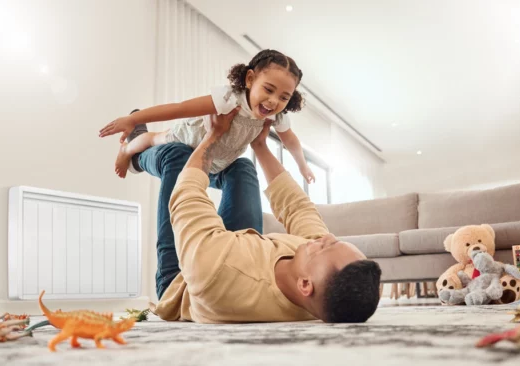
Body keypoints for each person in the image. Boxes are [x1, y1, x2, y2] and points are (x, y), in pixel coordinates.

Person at [149, 108, 382, 324]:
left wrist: (213, 135)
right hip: (236, 249)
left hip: (182, 281)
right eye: (333, 241)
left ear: (304, 285)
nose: (325, 238)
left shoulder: (216, 271)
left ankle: (135, 156)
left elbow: (187, 196)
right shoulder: (315, 282)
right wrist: (260, 144)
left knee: (177, 156)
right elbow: (298, 207)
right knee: (242, 167)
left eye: (324, 247)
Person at [98, 49, 315, 184]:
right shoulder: (230, 98)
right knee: (154, 138)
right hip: (189, 138)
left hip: (215, 158)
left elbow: (291, 141)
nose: (274, 101)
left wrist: (302, 166)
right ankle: (127, 149)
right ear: (250, 79)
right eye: (268, 90)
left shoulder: (276, 117)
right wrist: (133, 120)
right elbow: (179, 108)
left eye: (284, 97)